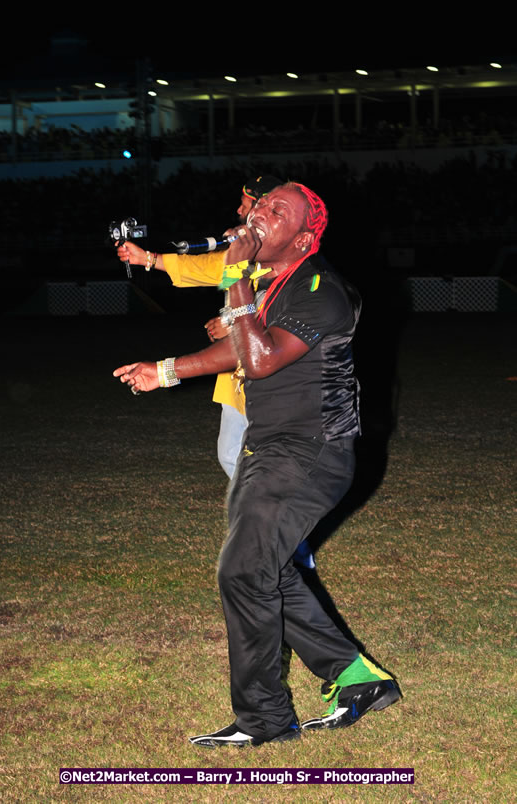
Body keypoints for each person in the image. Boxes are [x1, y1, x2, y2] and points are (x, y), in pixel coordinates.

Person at [114, 182, 400, 746]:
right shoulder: (277, 286)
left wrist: (236, 275)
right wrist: (167, 371)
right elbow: (241, 349)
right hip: (270, 446)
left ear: (303, 237)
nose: (260, 214)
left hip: (311, 451)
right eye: (262, 204)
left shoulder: (324, 289)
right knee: (261, 570)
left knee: (243, 571)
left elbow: (262, 360)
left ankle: (264, 720)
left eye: (278, 211)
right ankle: (355, 677)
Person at [116, 174, 315, 568]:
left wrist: (235, 319)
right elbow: (210, 269)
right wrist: (150, 259)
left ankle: (287, 540)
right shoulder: (242, 257)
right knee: (230, 455)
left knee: (265, 465)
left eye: (248, 204)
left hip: (277, 389)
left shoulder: (299, 272)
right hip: (238, 381)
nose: (241, 212)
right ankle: (277, 534)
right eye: (248, 206)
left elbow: (281, 320)